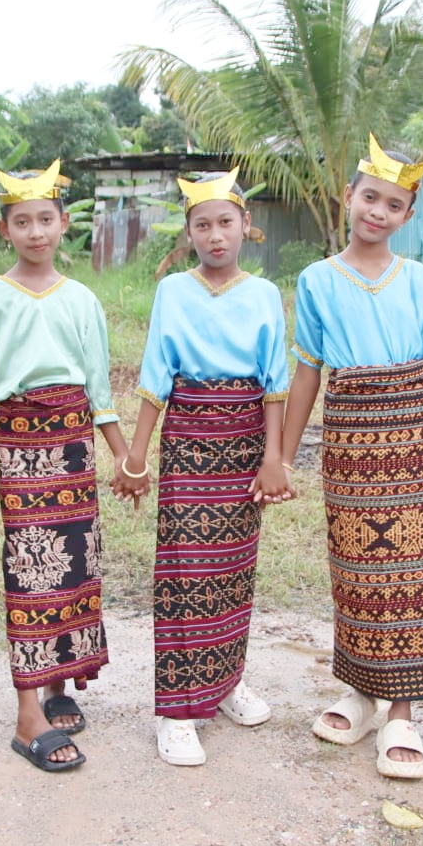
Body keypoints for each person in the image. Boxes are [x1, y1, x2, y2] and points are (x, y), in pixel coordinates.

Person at [280, 135, 423, 780]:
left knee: (414, 573)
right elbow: (308, 372)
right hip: (350, 436)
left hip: (413, 438)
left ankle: (402, 711)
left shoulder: (419, 281)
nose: (378, 212)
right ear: (348, 196)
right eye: (370, 197)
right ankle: (360, 691)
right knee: (357, 568)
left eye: (394, 205)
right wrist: (283, 458)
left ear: (408, 216)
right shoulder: (317, 279)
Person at [0, 161, 128, 773]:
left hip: (74, 440)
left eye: (45, 219)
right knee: (30, 566)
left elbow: (99, 389)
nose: (35, 232)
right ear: (5, 230)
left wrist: (124, 454)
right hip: (20, 440)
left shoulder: (81, 299)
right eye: (22, 222)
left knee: (75, 563)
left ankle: (58, 684)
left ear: (63, 223)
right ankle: (28, 713)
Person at [112, 168, 291, 768]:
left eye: (225, 223)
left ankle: (226, 683)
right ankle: (177, 711)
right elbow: (156, 374)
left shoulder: (264, 295)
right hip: (189, 438)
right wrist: (137, 454)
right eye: (203, 225)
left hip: (246, 441)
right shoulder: (174, 291)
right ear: (188, 232)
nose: (216, 236)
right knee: (185, 570)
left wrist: (273, 458)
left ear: (246, 225)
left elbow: (274, 384)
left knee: (235, 569)